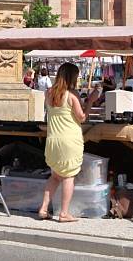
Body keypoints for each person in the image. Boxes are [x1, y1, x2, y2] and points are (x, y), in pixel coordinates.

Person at [38, 62, 88, 223]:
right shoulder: (72, 96)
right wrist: (92, 101)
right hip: (70, 140)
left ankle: (44, 208)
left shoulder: (48, 94)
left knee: (55, 176)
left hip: (53, 140)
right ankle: (64, 213)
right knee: (68, 176)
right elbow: (81, 118)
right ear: (71, 77)